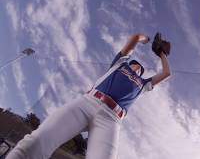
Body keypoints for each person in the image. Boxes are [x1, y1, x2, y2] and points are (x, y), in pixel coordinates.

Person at [6, 33, 171, 159]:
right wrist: (146, 39)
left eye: (140, 69)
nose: (137, 68)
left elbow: (166, 73)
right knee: (37, 141)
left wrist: (161, 53)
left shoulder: (142, 84)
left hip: (111, 119)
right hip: (88, 103)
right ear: (130, 62)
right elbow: (134, 38)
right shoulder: (120, 64)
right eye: (135, 64)